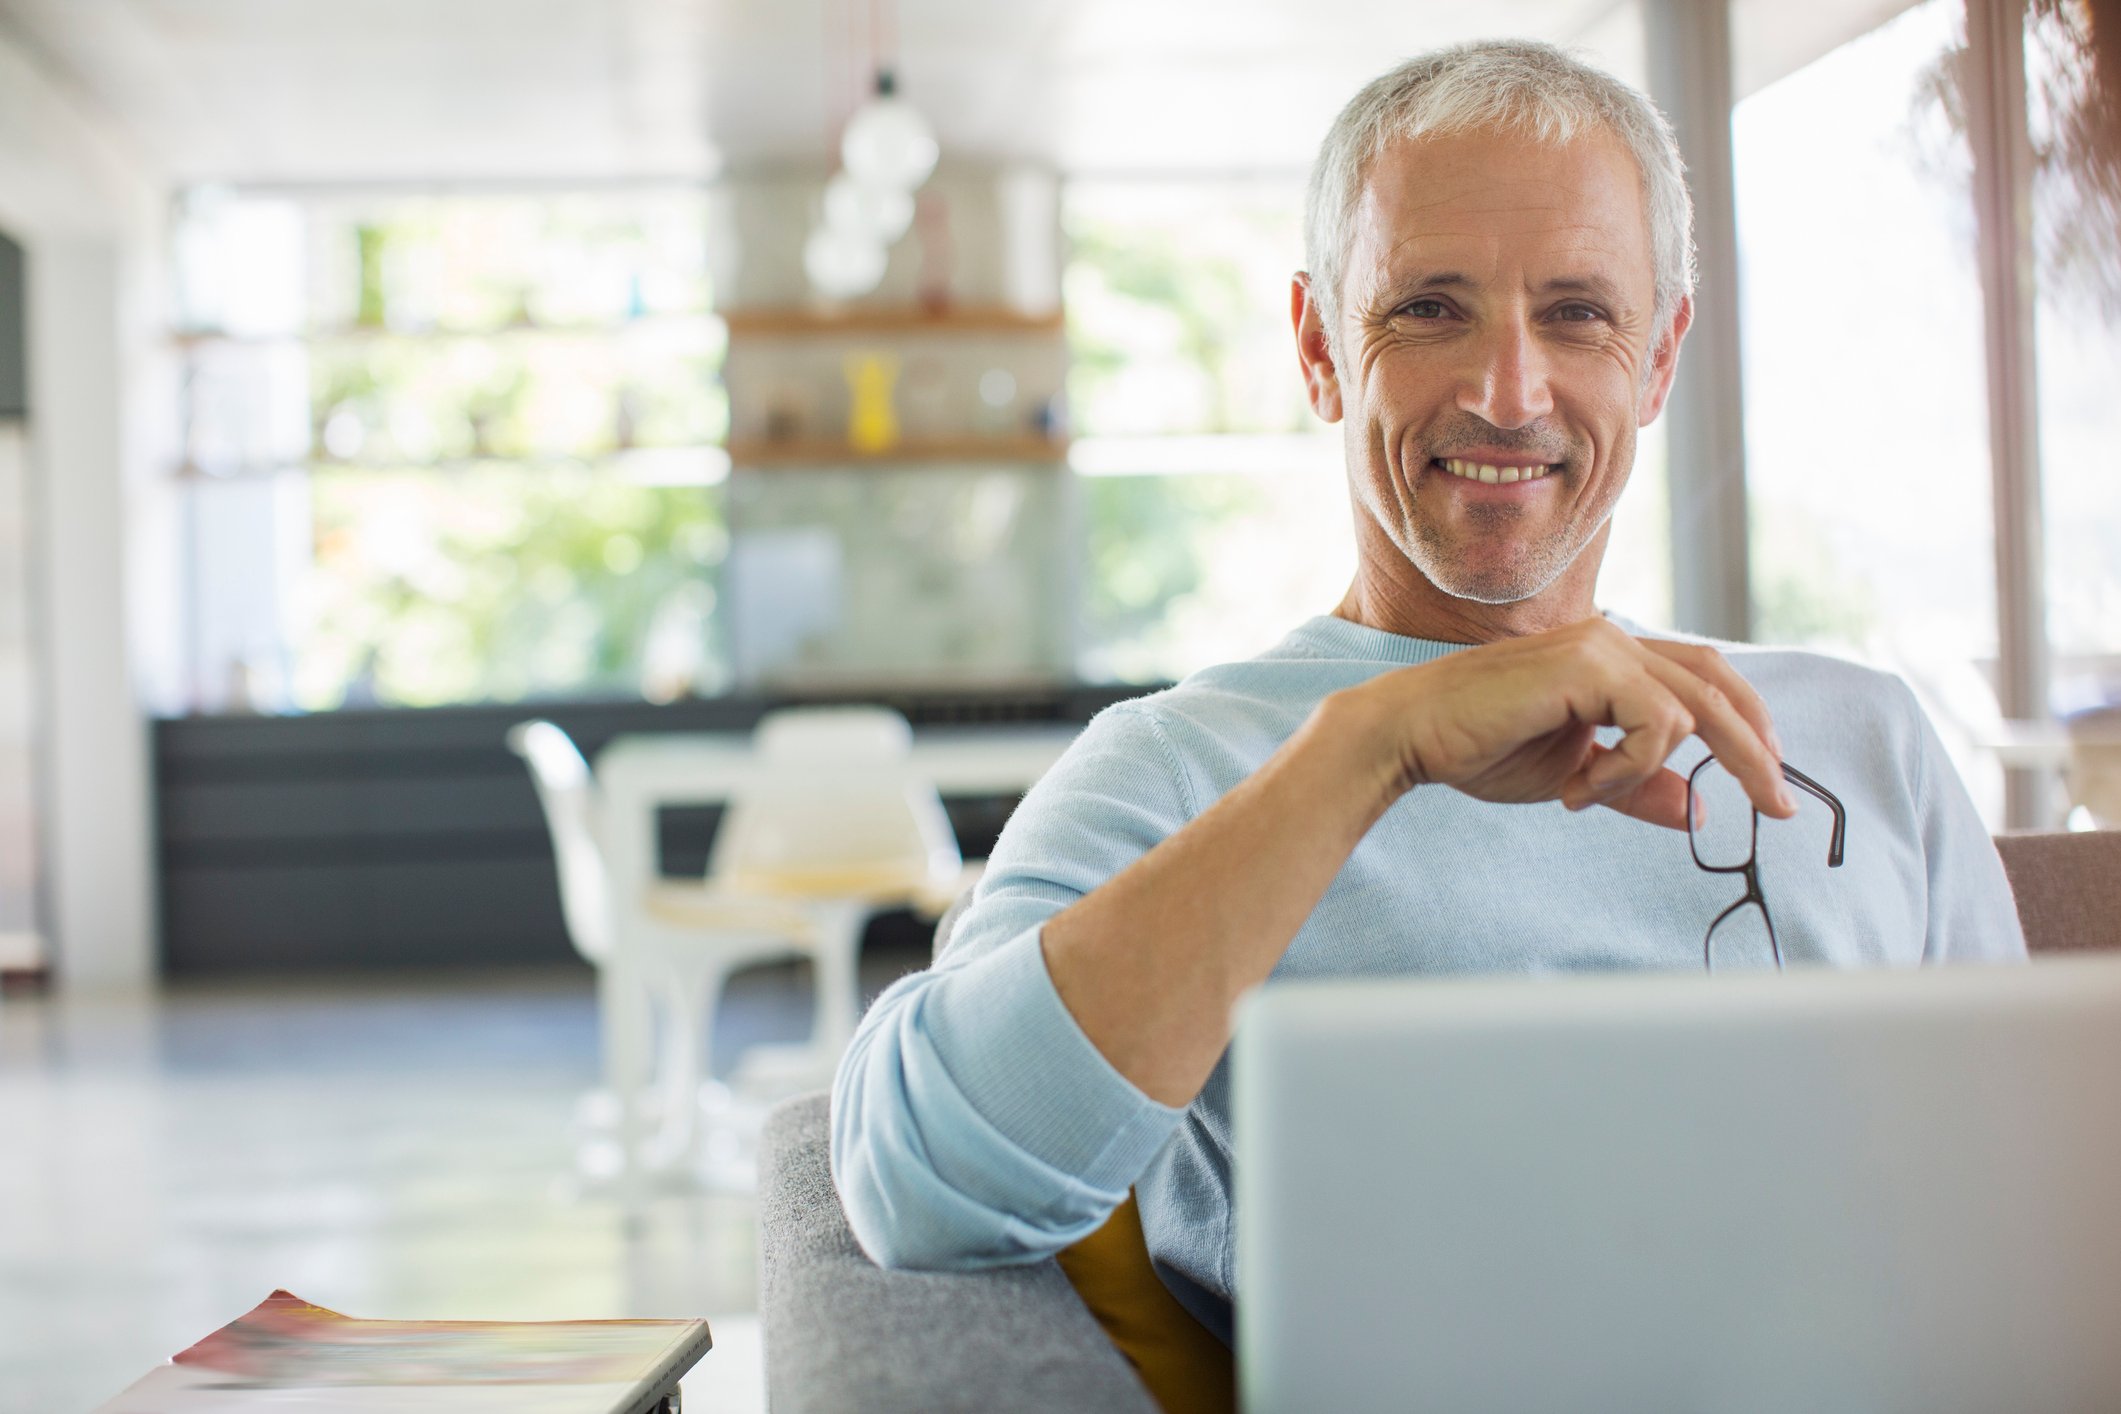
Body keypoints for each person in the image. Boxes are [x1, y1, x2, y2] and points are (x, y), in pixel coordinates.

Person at [830, 39, 2027, 1347]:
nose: (1507, 393)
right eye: (1427, 309)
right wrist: (1370, 744)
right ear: (1317, 348)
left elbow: (2026, 1218)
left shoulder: (1864, 739)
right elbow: (916, 1183)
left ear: (1662, 353)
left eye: (1577, 312)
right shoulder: (1181, 767)